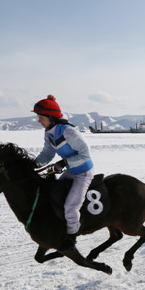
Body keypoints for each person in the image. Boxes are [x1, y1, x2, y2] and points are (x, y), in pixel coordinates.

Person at [32, 95, 94, 236]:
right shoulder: (49, 133)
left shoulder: (68, 131)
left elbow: (85, 155)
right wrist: (33, 164)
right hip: (72, 171)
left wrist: (64, 162)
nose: (39, 120)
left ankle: (71, 236)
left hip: (84, 173)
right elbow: (47, 154)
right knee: (54, 197)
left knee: (70, 208)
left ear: (51, 117)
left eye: (41, 117)